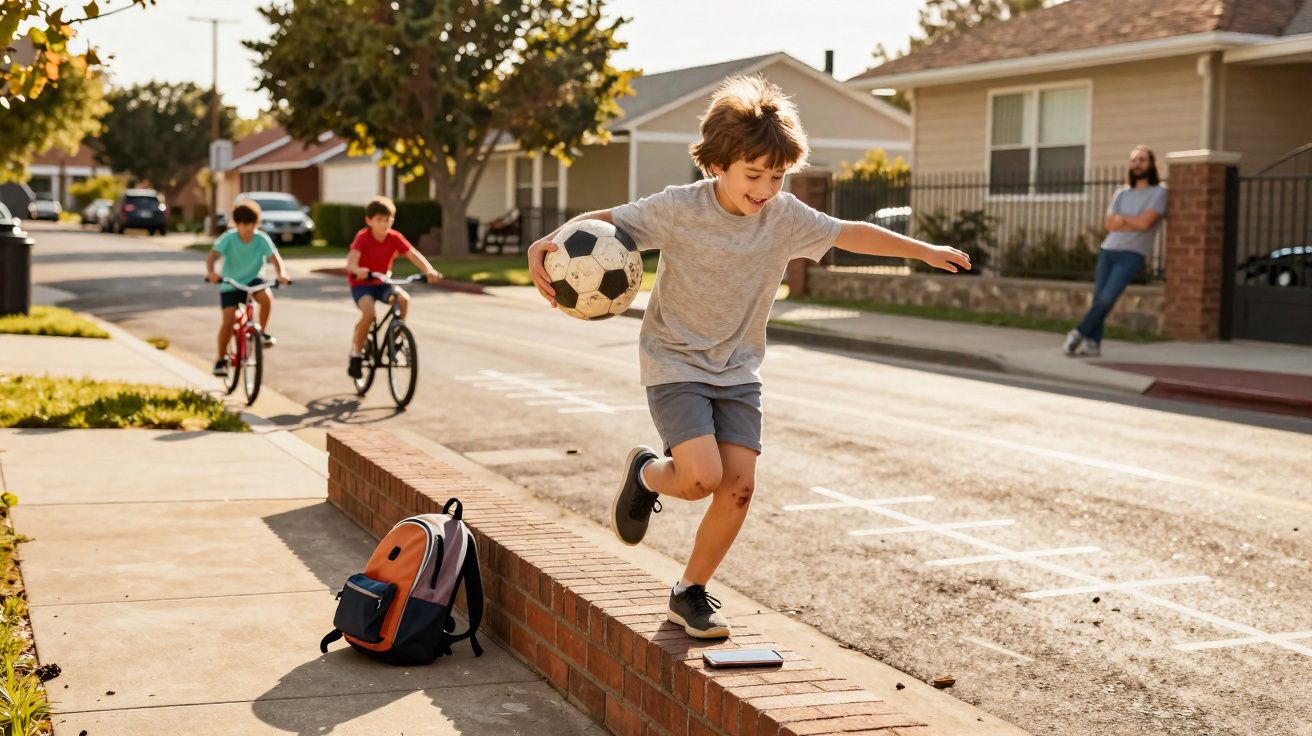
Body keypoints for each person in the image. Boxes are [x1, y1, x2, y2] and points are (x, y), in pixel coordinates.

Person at [527, 75, 971, 639]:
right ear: (717, 164)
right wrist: (549, 240)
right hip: (676, 361)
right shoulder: (677, 209)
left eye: (776, 175)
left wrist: (922, 250)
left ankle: (689, 591)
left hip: (738, 369)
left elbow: (850, 234)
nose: (764, 187)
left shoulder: (784, 216)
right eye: (752, 175)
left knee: (737, 487)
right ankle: (646, 472)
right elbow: (605, 223)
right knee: (699, 478)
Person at [1064, 145, 1167, 357]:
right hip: (1108, 250)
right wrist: (1130, 222)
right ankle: (1093, 344)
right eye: (1134, 160)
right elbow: (1109, 225)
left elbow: (1145, 224)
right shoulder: (1121, 193)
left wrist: (1124, 220)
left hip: (1132, 254)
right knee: (1099, 299)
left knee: (1107, 299)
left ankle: (1078, 333)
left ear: (1151, 164)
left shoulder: (1159, 193)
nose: (1137, 164)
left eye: (1142, 160)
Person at [345, 196, 443, 378]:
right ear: (369, 221)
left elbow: (413, 254)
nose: (384, 224)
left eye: (388, 219)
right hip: (362, 285)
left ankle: (395, 340)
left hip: (383, 283)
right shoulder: (363, 237)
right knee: (369, 314)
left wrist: (429, 270)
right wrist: (359, 270)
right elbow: (350, 263)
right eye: (379, 220)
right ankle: (356, 355)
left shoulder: (394, 237)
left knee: (403, 299)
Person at [206, 201, 290, 376]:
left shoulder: (261, 239)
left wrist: (282, 274)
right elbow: (212, 256)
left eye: (253, 224)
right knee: (228, 321)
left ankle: (262, 333)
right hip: (230, 282)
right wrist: (211, 273)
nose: (249, 228)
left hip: (253, 280)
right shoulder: (229, 238)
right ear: (236, 224)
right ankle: (221, 360)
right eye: (245, 224)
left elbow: (275, 258)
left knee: (266, 298)